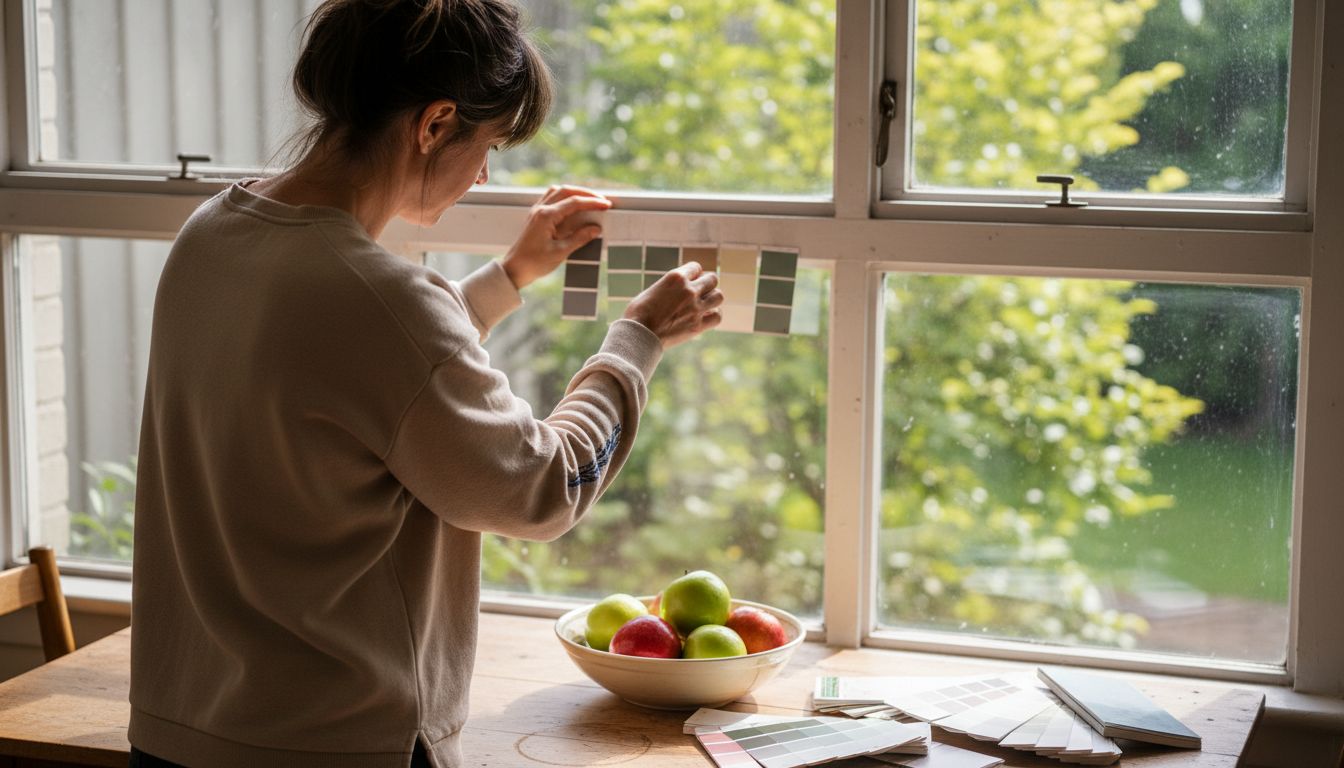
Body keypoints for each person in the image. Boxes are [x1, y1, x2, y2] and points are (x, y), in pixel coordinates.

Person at [126, 1, 723, 766]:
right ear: (435, 123)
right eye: (489, 146)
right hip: (333, 742)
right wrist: (637, 343)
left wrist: (511, 275)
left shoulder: (213, 230)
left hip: (183, 728)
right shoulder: (375, 298)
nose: (482, 174)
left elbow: (363, 378)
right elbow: (540, 488)